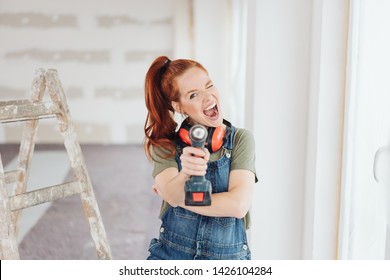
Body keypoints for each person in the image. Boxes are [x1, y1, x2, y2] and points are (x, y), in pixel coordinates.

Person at [143, 56, 258, 260]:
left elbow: (238, 205)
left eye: (209, 85)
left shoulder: (241, 140)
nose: (208, 97)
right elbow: (172, 194)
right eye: (194, 95)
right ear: (178, 106)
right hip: (171, 257)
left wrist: (175, 196)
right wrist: (185, 173)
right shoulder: (165, 145)